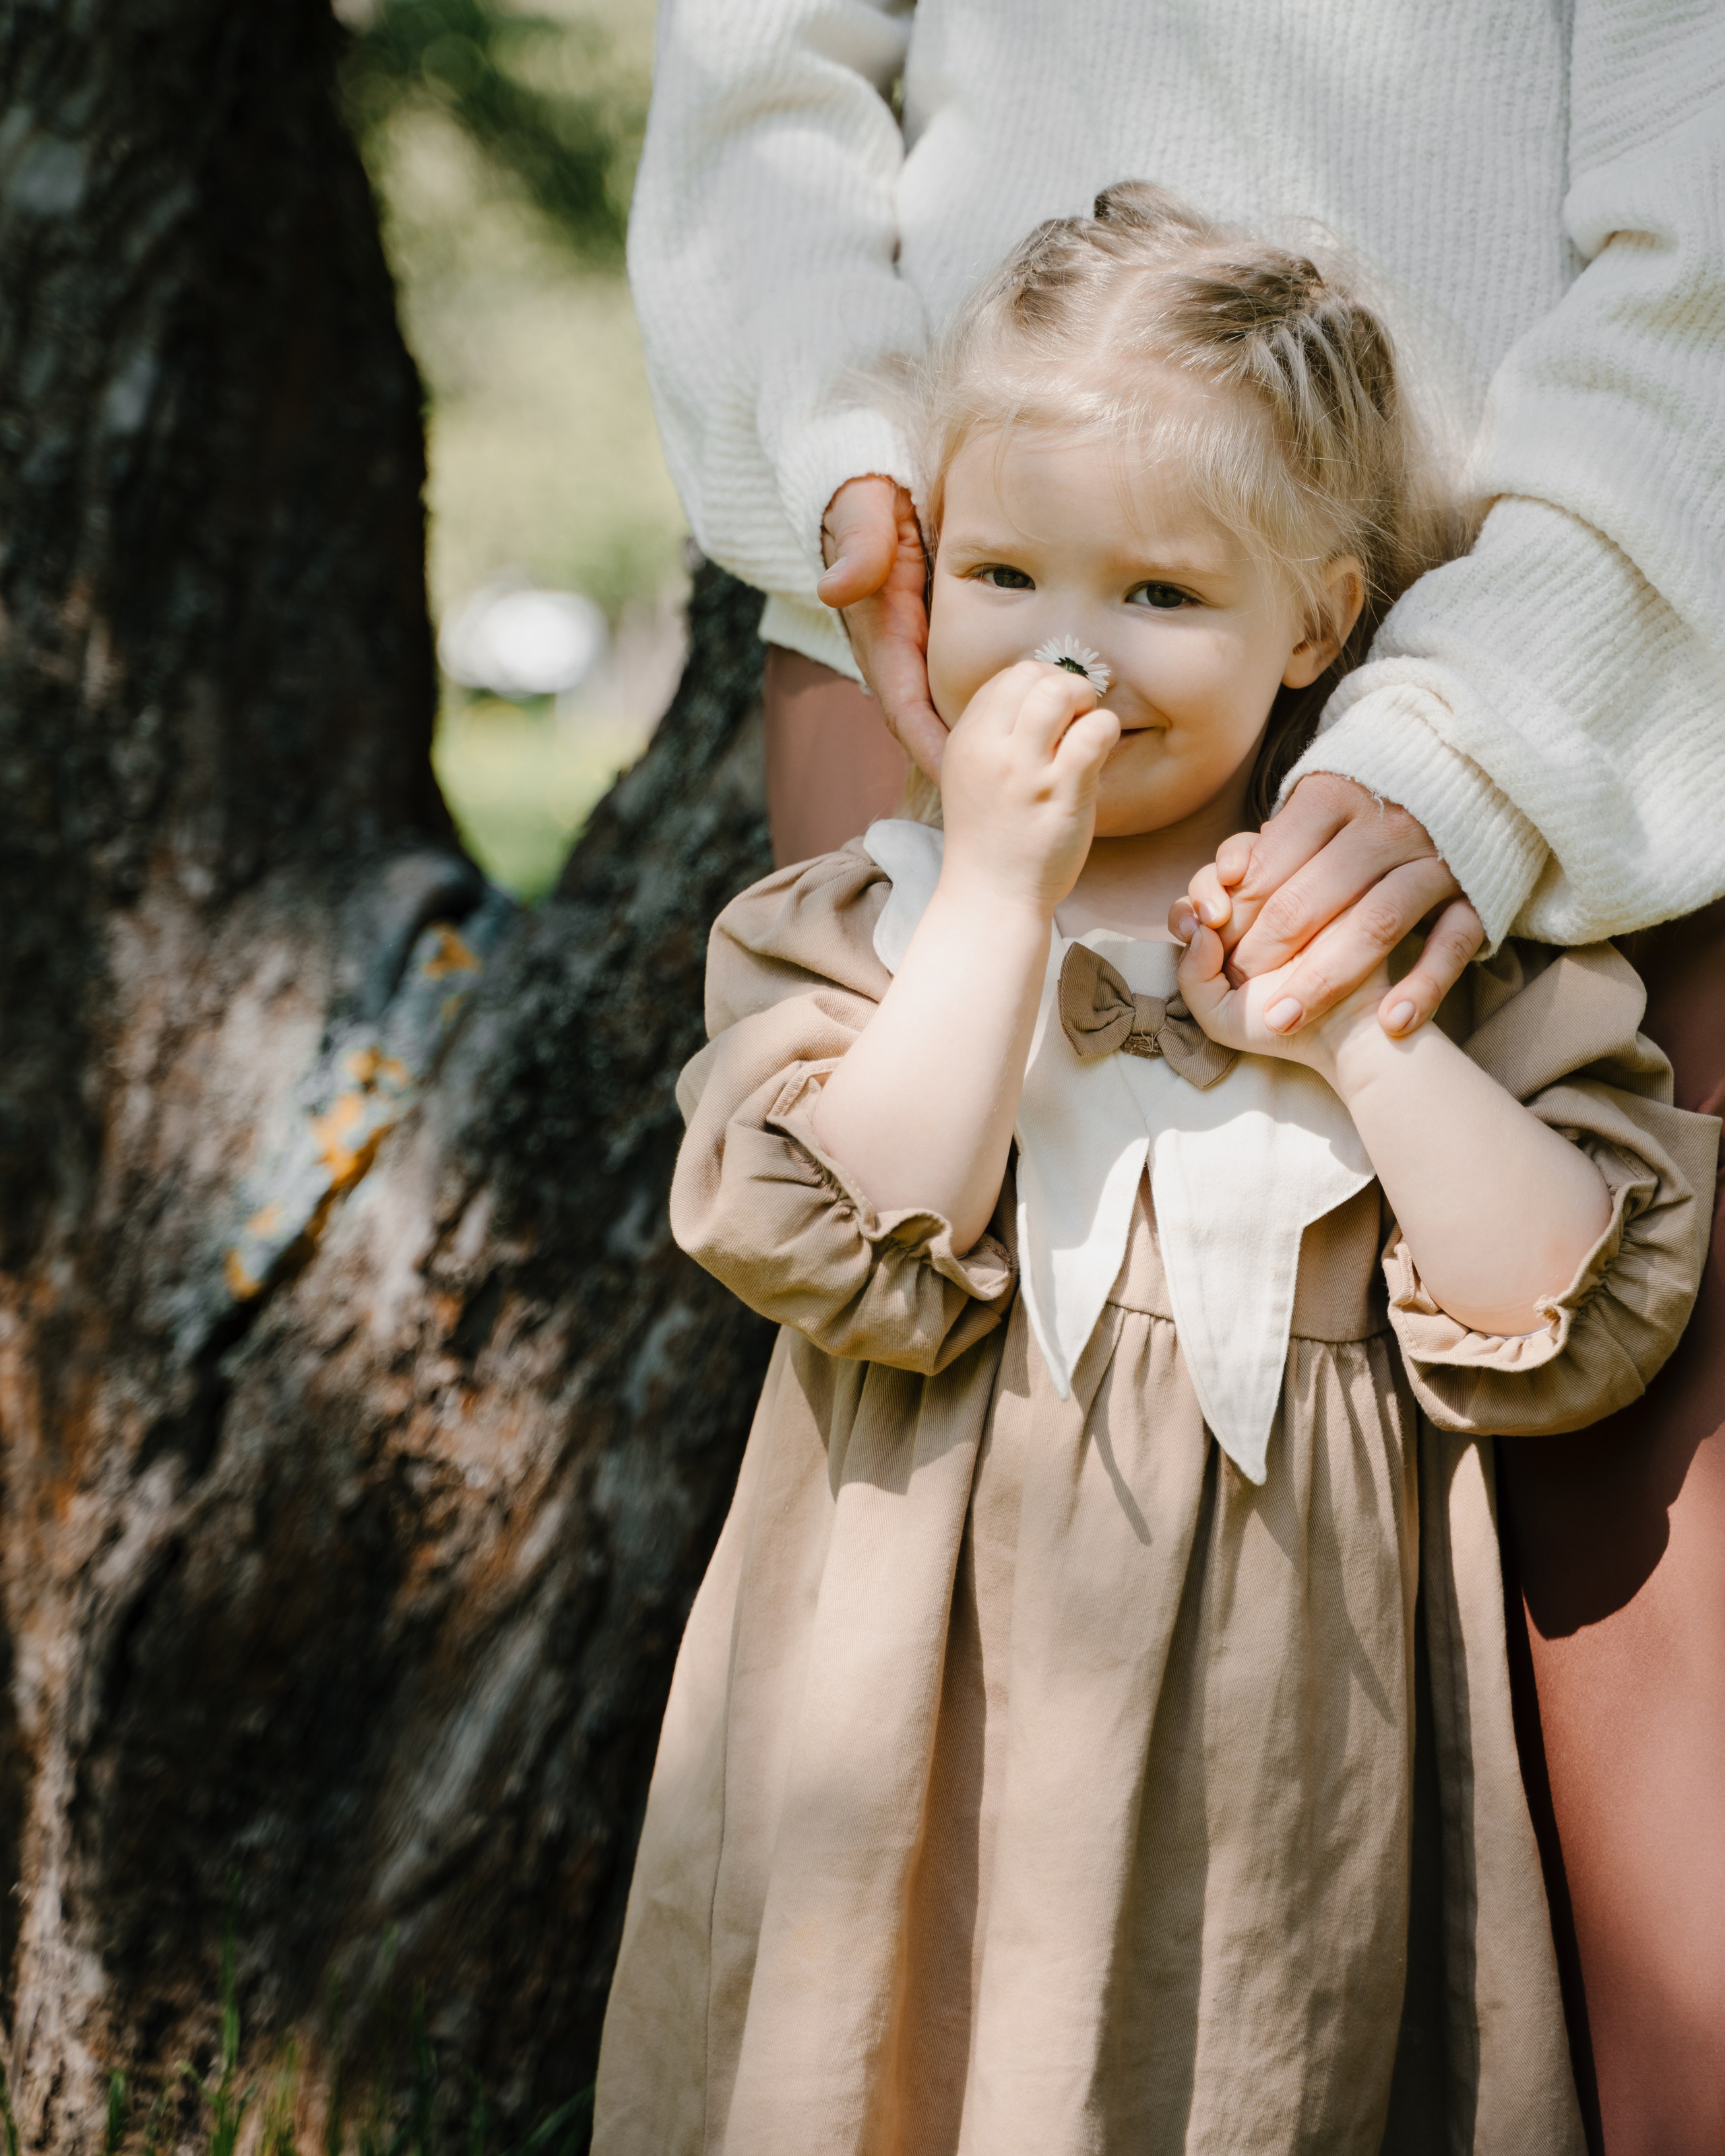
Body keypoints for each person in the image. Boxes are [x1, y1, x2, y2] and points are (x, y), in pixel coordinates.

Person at [627, 11, 1725, 2139]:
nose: (1065, 655)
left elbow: (1574, 1297)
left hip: (1300, 1757)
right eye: (1016, 580)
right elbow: (834, 1226)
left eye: (1145, 598)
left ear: (1312, 623)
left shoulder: (1458, 995)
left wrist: (1380, 996)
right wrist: (996, 893)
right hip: (953, 1676)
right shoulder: (886, 925)